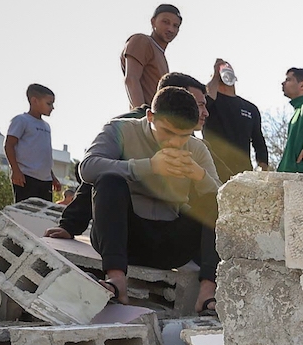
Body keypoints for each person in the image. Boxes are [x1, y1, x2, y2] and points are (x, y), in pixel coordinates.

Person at [80, 86, 221, 316]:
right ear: (150, 117)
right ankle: (116, 281)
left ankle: (207, 293)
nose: (174, 143)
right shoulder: (120, 130)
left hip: (169, 244)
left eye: (183, 135)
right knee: (109, 181)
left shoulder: (197, 148)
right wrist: (147, 166)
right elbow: (87, 168)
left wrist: (199, 176)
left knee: (213, 199)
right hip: (123, 238)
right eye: (167, 132)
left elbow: (223, 199)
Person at [48, 72, 210, 241]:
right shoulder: (126, 127)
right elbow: (92, 173)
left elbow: (218, 186)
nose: (205, 112)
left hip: (169, 234)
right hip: (127, 228)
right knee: (109, 176)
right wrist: (69, 225)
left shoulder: (195, 146)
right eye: (199, 105)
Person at [203, 60, 269, 177]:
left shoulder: (250, 108)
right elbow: (206, 101)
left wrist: (262, 170)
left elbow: (259, 141)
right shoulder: (208, 103)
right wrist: (216, 75)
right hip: (214, 169)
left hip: (243, 172)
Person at [4, 85, 60, 203]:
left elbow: (43, 154)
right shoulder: (22, 120)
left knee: (43, 216)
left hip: (45, 180)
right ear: (34, 101)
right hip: (26, 177)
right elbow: (9, 145)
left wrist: (52, 176)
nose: (52, 108)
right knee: (25, 214)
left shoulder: (46, 126)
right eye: (49, 104)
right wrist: (15, 170)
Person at [121, 5, 181, 111]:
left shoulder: (161, 57)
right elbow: (131, 79)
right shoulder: (142, 41)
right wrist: (141, 115)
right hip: (145, 120)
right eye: (165, 22)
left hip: (157, 122)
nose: (171, 29)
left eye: (176, 25)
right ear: (153, 22)